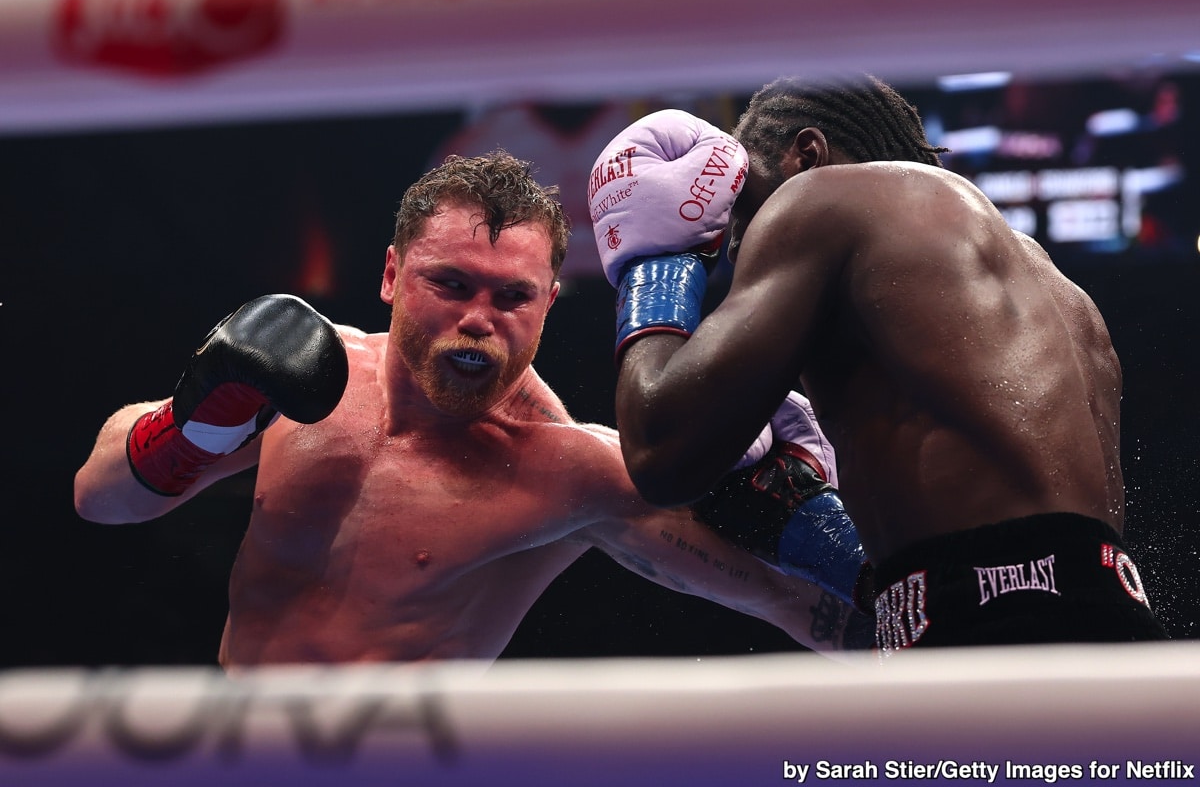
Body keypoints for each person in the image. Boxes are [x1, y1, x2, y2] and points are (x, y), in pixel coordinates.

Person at [74, 150, 870, 668]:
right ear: (392, 276)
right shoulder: (309, 379)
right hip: (231, 756)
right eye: (450, 284)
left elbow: (798, 605)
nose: (478, 320)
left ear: (549, 304)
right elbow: (102, 500)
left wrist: (822, 528)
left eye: (512, 296)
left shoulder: (571, 470)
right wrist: (195, 424)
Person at [586, 75, 1170, 654]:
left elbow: (661, 454)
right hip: (1123, 633)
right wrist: (816, 528)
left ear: (806, 155)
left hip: (986, 642)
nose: (738, 250)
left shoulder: (820, 198)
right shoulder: (1059, 289)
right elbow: (1031, 543)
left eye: (744, 219)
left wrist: (656, 264)